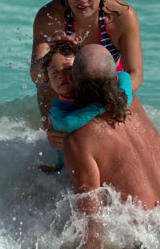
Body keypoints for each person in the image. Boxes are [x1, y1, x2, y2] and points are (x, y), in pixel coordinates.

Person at [63, 44, 160, 249]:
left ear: (71, 80)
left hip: (142, 243)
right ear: (115, 78)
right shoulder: (134, 104)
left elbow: (91, 224)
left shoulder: (78, 140)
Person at [30, 0, 144, 141]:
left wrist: (109, 101)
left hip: (105, 84)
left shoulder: (122, 15)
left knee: (111, 133)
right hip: (64, 86)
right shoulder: (49, 15)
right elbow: (37, 77)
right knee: (52, 80)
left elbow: (134, 73)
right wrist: (50, 55)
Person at [40, 42, 132, 172]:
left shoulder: (91, 93)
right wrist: (103, 106)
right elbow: (67, 122)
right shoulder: (58, 107)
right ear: (47, 81)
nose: (61, 75)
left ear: (80, 71)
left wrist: (122, 101)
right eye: (54, 73)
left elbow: (124, 76)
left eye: (68, 69)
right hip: (67, 170)